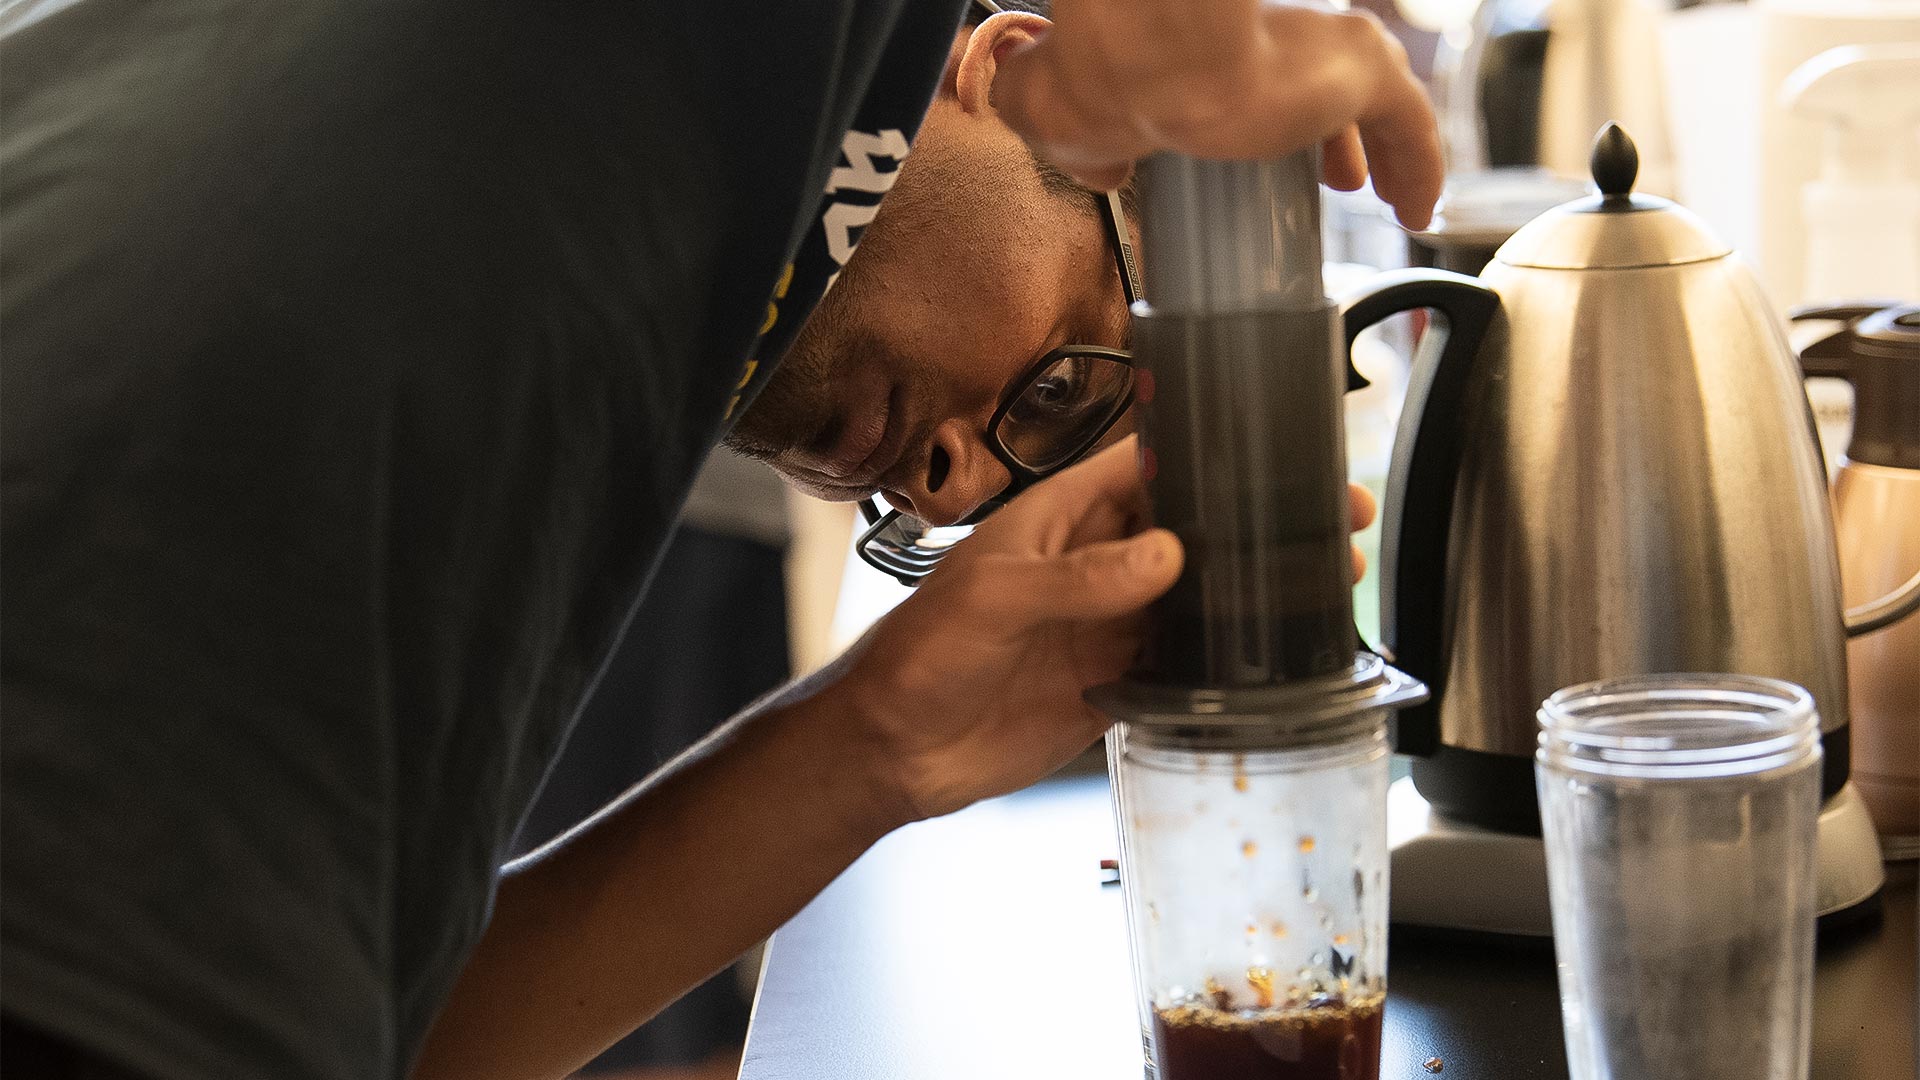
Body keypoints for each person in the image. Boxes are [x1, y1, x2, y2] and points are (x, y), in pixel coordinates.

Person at [0, 1, 1441, 1078]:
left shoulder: (551, 361)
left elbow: (404, 1037)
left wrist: (876, 739)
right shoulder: (768, 42)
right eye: (1062, 379)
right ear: (1002, 70)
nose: (947, 487)